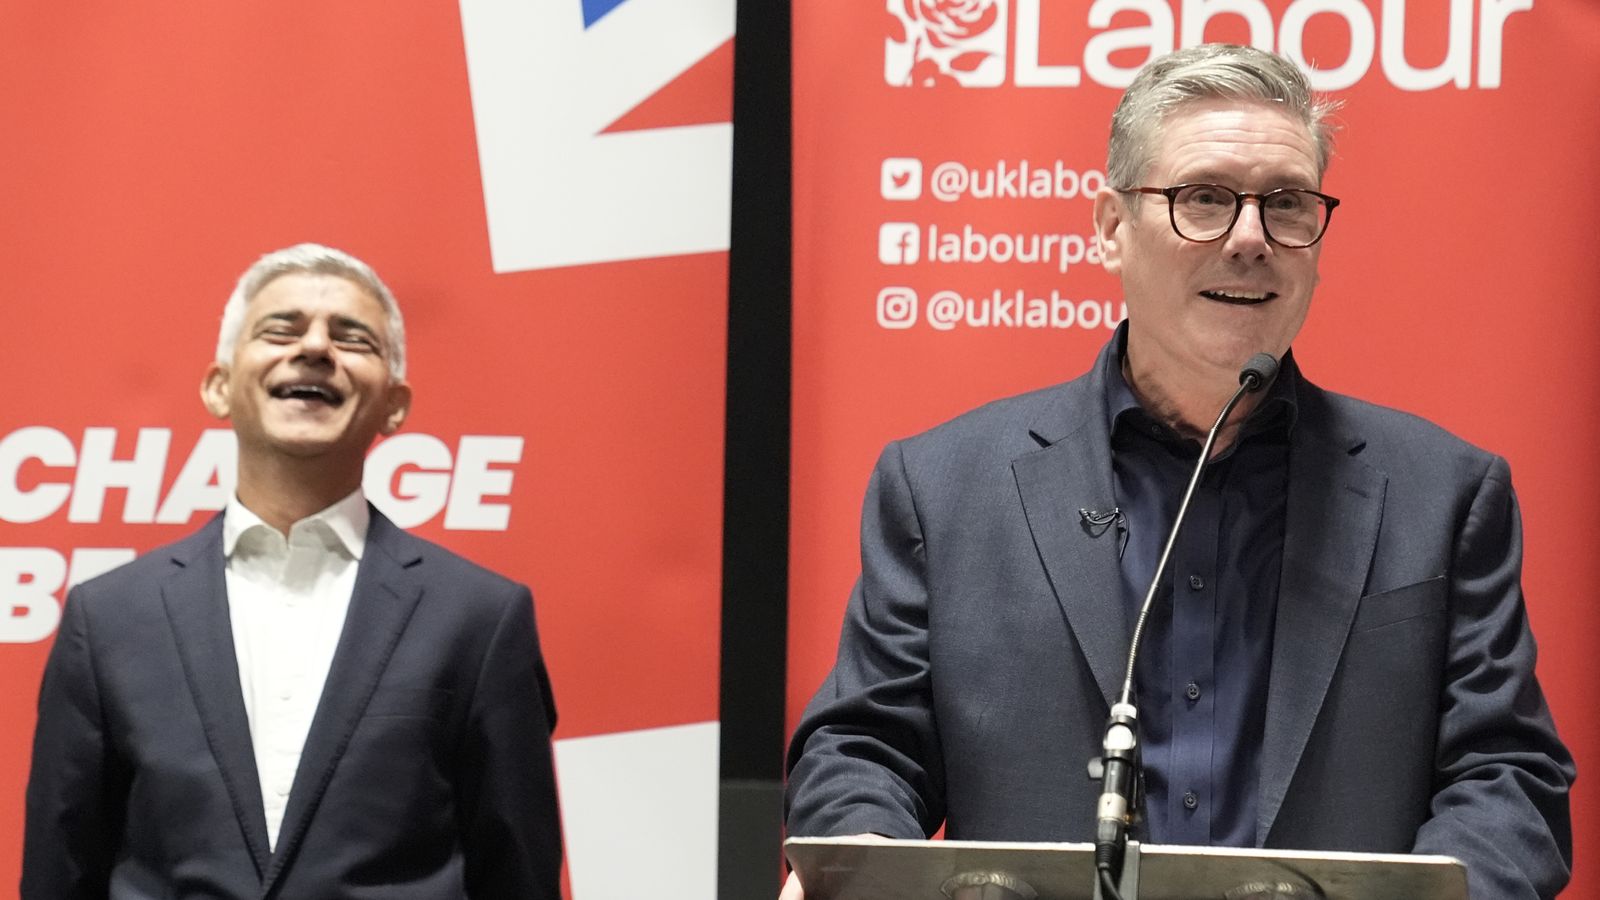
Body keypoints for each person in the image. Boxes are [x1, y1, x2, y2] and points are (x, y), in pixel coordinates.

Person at [782, 44, 1573, 900]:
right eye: (1203, 198)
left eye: (1286, 203)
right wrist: (862, 857)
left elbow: (1506, 776)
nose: (1250, 239)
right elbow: (865, 749)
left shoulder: (1443, 495)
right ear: (1111, 228)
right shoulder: (945, 488)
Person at [23, 244, 562, 898]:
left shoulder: (480, 619)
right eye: (281, 330)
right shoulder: (108, 619)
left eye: (352, 338)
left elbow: (519, 875)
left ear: (395, 405)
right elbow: (60, 872)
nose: (314, 348)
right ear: (219, 386)